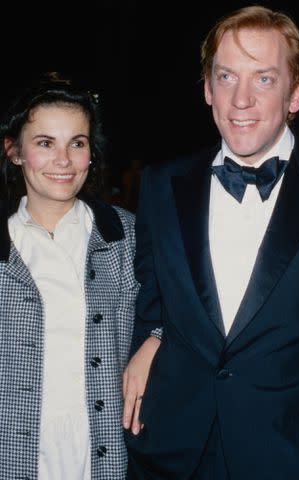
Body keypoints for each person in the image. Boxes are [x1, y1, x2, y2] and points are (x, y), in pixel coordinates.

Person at [123, 5, 299, 479]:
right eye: (226, 76)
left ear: (297, 94)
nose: (240, 99)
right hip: (174, 454)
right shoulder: (161, 185)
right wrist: (154, 336)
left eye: (264, 79)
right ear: (207, 89)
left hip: (297, 458)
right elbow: (153, 301)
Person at [0, 72, 138, 479]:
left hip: (101, 453)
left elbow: (171, 312)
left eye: (76, 144)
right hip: (15, 454)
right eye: (45, 143)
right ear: (15, 151)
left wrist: (154, 341)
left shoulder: (126, 235)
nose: (63, 160)